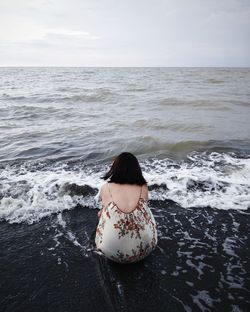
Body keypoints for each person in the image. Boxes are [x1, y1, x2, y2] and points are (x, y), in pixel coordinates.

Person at [95, 152, 158, 264]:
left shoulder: (106, 188)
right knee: (146, 211)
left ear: (115, 168)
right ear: (136, 168)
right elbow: (144, 208)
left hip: (112, 253)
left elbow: (104, 212)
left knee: (102, 214)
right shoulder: (143, 186)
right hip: (145, 250)